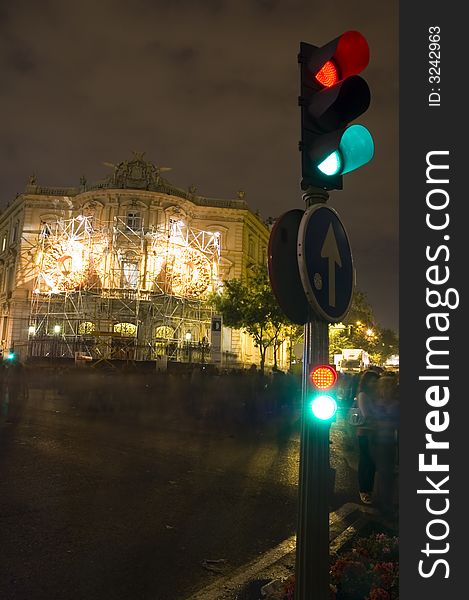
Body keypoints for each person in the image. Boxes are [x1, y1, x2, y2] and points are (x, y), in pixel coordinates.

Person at [372, 374, 399, 517]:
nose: (388, 390)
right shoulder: (379, 404)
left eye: (390, 387)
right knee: (384, 474)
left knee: (387, 474)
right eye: (385, 387)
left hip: (390, 443)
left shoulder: (393, 404)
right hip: (380, 443)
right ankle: (385, 505)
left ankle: (385, 502)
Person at [355, 369, 380, 505]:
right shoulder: (363, 395)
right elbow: (366, 414)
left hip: (374, 432)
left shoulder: (375, 395)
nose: (375, 383)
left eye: (376, 381)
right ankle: (364, 490)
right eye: (372, 381)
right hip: (364, 432)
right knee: (366, 461)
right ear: (366, 382)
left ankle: (368, 490)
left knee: (371, 462)